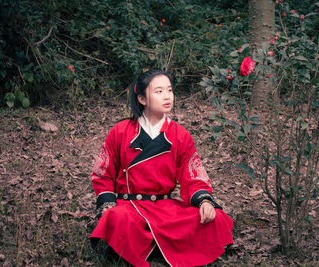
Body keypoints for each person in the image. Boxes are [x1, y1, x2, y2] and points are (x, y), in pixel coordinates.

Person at [90, 69, 234, 267]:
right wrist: (107, 205)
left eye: (169, 90)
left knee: (216, 218)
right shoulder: (120, 131)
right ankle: (155, 243)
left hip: (165, 208)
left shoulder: (180, 135)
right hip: (129, 207)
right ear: (141, 98)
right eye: (159, 91)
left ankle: (140, 244)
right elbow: (103, 173)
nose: (167, 96)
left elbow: (192, 176)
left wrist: (204, 202)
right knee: (117, 217)